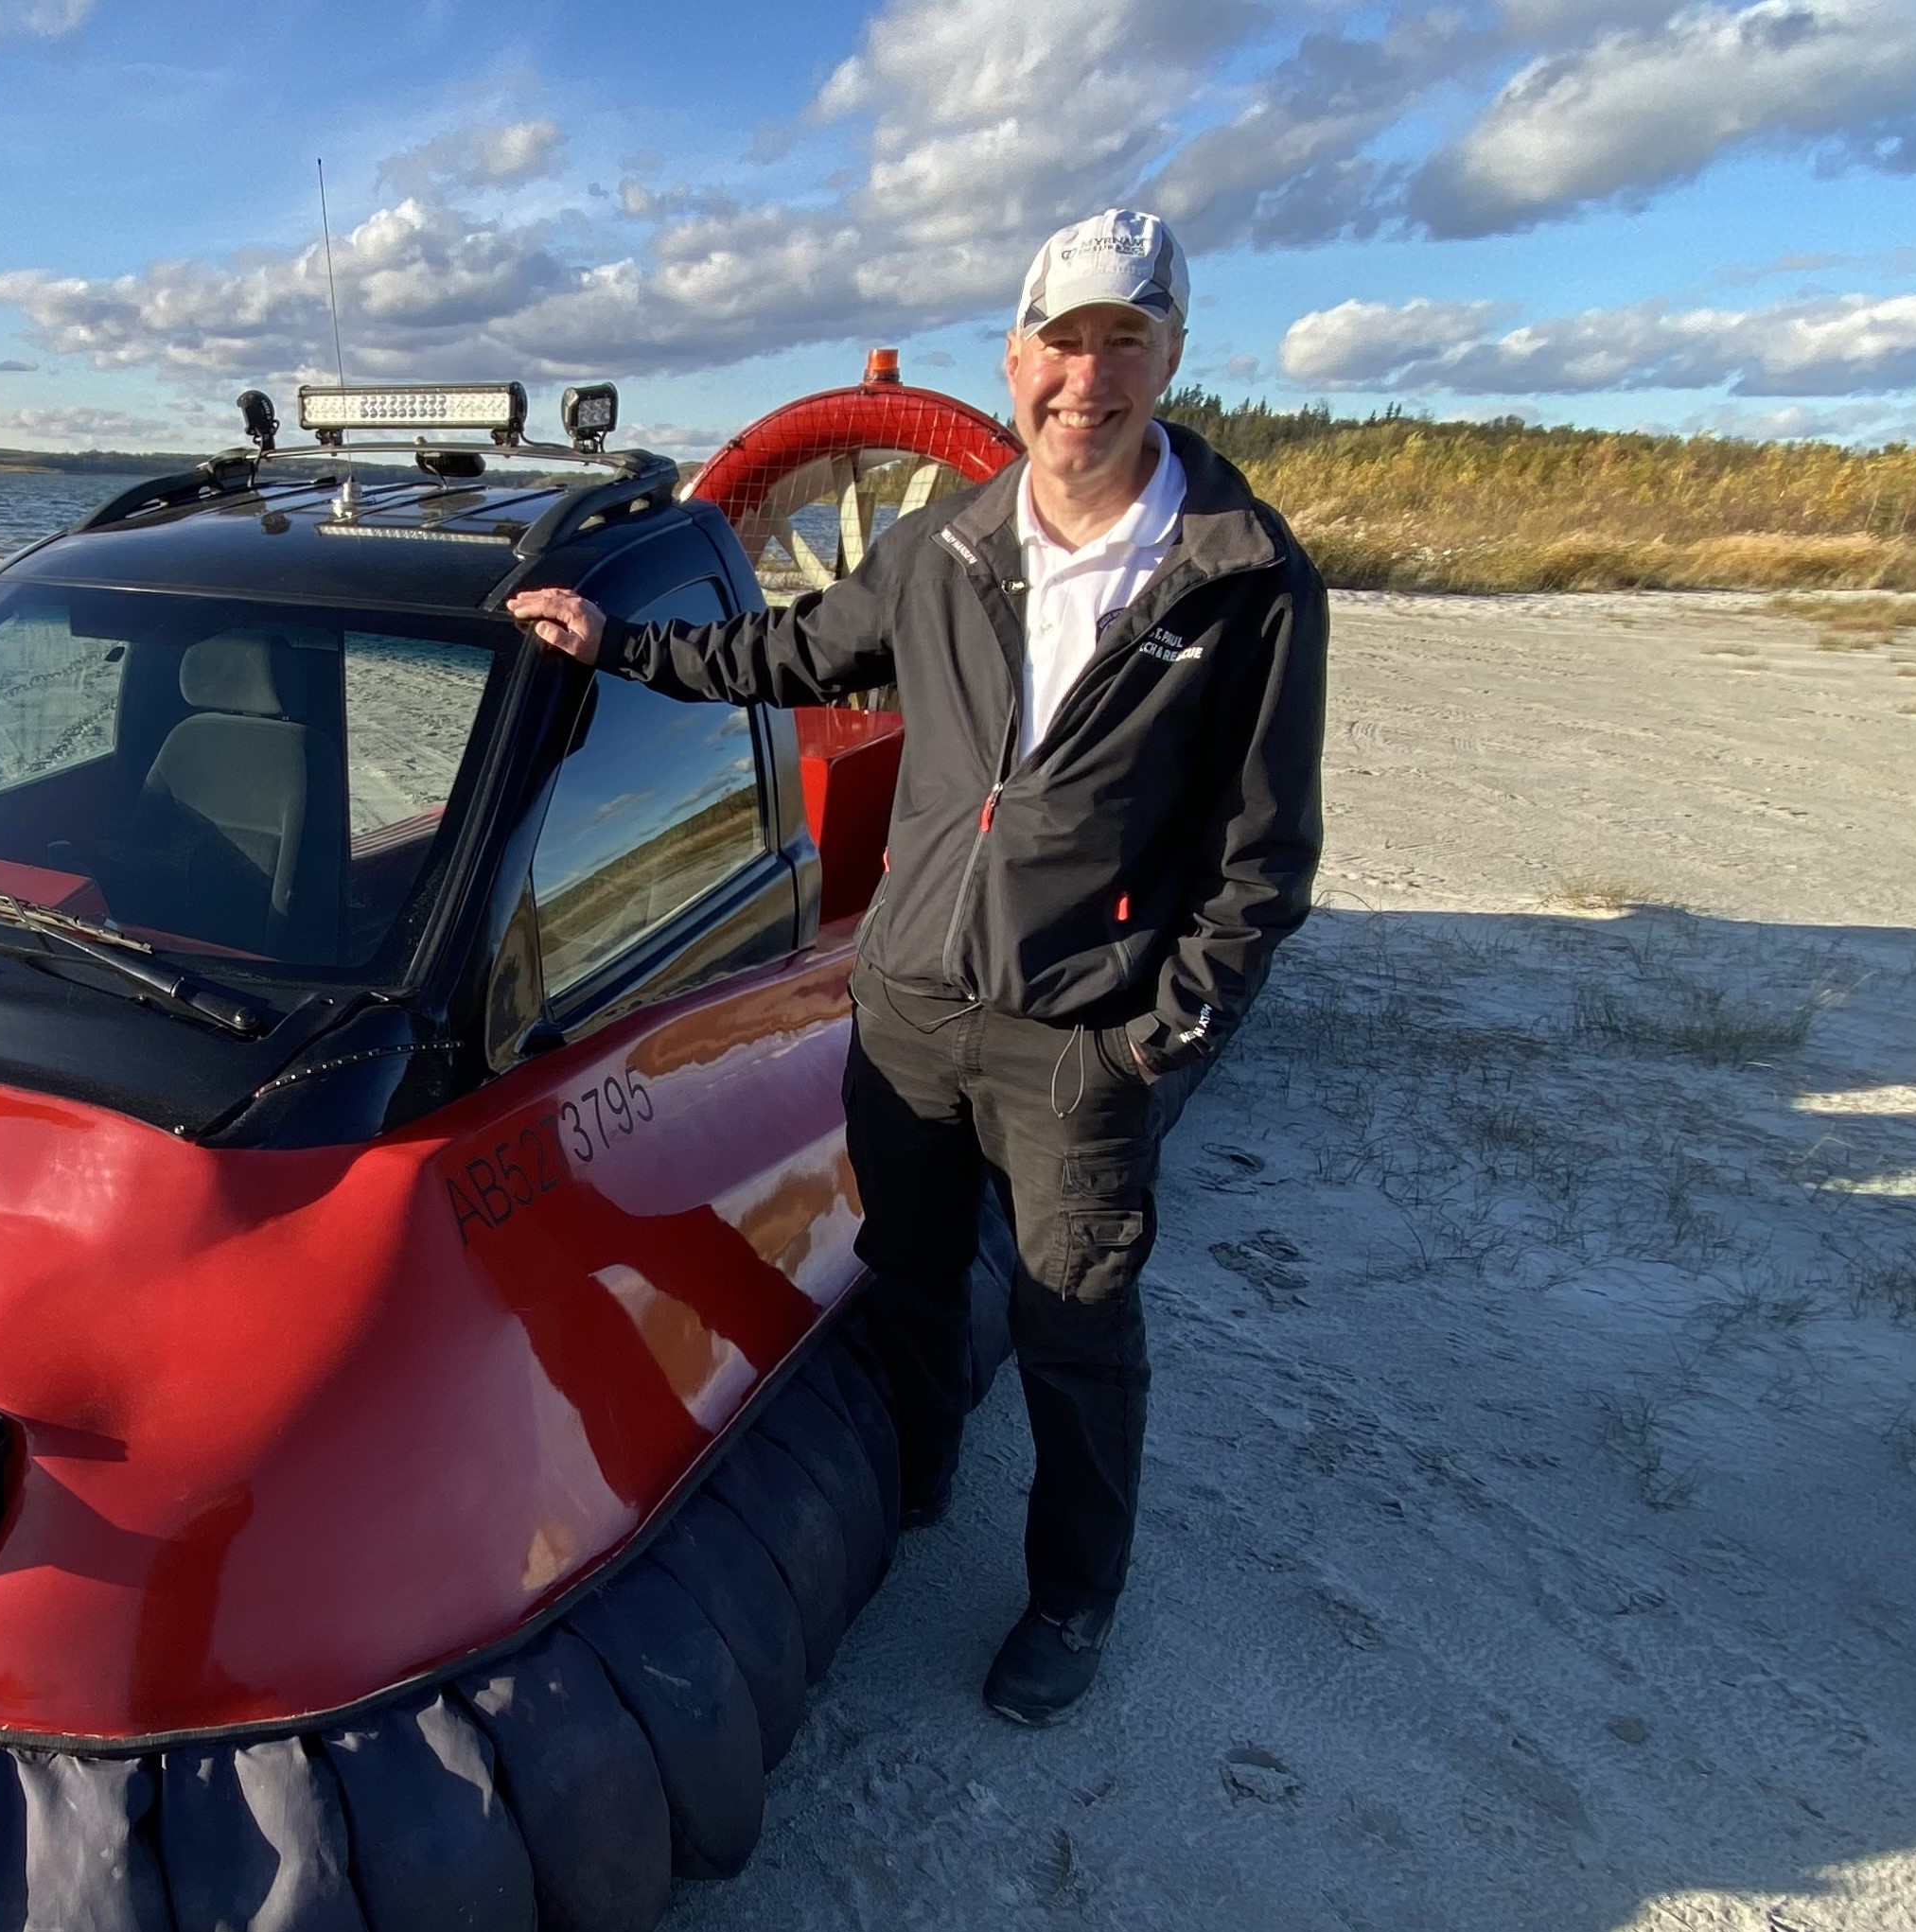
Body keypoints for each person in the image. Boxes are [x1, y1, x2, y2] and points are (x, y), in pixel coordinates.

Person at [508, 208, 1325, 1725]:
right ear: (1016, 362)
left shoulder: (1245, 578)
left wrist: (1157, 1040)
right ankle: (924, 1476)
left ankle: (1075, 1602)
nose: (1089, 377)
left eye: (1123, 344)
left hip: (1083, 1036)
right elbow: (791, 653)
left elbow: (1267, 860)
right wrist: (613, 644)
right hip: (910, 1013)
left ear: (1170, 360)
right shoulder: (949, 546)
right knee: (910, 1273)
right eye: (1064, 344)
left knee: (1080, 1330)